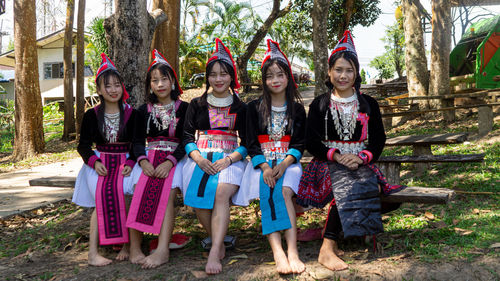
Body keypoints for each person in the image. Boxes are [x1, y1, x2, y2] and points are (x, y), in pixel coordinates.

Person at [296, 31, 404, 271]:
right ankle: (327, 247)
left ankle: (338, 235)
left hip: (360, 163)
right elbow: (311, 141)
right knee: (345, 186)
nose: (343, 75)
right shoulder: (320, 104)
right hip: (326, 164)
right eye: (338, 70)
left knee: (375, 189)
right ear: (329, 72)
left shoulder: (369, 104)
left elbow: (378, 139)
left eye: (349, 70)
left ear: (356, 73)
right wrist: (336, 155)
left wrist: (362, 157)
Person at [234, 39, 306, 274]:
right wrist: (265, 167)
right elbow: (250, 144)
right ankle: (277, 251)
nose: (275, 80)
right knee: (268, 189)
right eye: (270, 76)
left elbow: (299, 143)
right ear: (264, 80)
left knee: (284, 190)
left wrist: (284, 164)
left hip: (288, 163)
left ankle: (293, 250)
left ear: (288, 77)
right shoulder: (252, 108)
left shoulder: (296, 109)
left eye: (280, 75)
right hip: (261, 164)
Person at [182, 38, 247, 275]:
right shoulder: (196, 104)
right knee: (197, 193)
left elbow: (248, 142)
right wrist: (198, 159)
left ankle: (214, 250)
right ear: (207, 78)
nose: (218, 79)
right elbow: (187, 136)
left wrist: (229, 160)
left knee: (220, 192)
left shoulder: (242, 107)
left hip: (231, 157)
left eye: (224, 74)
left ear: (232, 77)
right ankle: (218, 239)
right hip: (201, 157)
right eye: (213, 74)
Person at [72, 53, 140, 266]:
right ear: (99, 90)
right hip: (99, 162)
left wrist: (130, 163)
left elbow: (138, 145)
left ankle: (128, 245)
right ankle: (93, 253)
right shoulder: (91, 115)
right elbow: (83, 146)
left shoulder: (133, 114)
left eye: (117, 85)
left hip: (127, 162)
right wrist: (94, 162)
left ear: (122, 87)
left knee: (128, 194)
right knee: (101, 197)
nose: (113, 90)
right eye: (107, 86)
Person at [126, 49, 189, 268]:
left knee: (169, 191)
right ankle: (135, 247)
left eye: (164, 78)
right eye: (155, 80)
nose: (160, 84)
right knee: (136, 188)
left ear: (173, 80)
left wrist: (170, 161)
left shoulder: (185, 109)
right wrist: (143, 161)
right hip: (149, 157)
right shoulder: (143, 111)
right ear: (149, 85)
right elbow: (136, 142)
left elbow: (186, 141)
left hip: (175, 159)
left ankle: (162, 250)